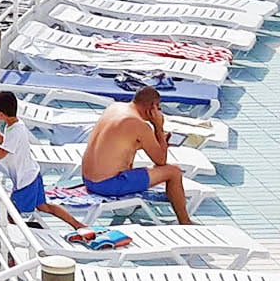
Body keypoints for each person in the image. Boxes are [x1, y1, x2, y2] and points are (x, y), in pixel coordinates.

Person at [84, 85, 197, 223]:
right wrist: (158, 127)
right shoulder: (139, 124)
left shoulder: (115, 108)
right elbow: (161, 160)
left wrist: (154, 139)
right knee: (173, 172)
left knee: (132, 158)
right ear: (152, 107)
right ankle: (185, 222)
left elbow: (124, 143)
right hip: (108, 185)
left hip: (88, 180)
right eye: (158, 108)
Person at [0, 88, 87, 231]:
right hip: (32, 174)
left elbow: (0, 154)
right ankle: (77, 225)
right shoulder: (14, 125)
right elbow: (4, 142)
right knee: (44, 207)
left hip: (24, 181)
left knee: (12, 215)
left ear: (0, 114)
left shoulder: (15, 130)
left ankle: (17, 238)